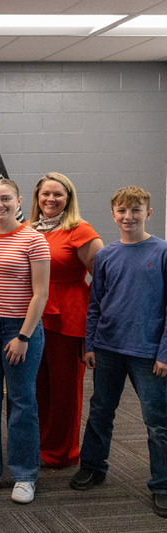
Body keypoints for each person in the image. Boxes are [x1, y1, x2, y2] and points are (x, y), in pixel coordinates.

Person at [70, 186, 167, 518]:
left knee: (157, 421)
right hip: (108, 347)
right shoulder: (106, 256)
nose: (129, 217)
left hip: (148, 351)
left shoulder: (163, 251)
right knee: (100, 411)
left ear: (148, 213)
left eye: (136, 210)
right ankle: (93, 466)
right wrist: (90, 343)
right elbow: (95, 304)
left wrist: (164, 353)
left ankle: (163, 484)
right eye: (122, 211)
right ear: (113, 215)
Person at [0, 179, 50, 504]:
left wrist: (22, 336)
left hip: (21, 328)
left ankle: (24, 475)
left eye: (6, 199)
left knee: (21, 401)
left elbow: (41, 293)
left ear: (18, 200)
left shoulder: (35, 239)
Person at [29, 172, 102, 468]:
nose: (51, 199)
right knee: (37, 387)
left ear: (68, 199)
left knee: (65, 390)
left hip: (68, 317)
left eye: (58, 194)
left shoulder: (80, 230)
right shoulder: (29, 229)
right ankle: (42, 446)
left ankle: (63, 453)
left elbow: (105, 281)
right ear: (37, 198)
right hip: (34, 317)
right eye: (45, 194)